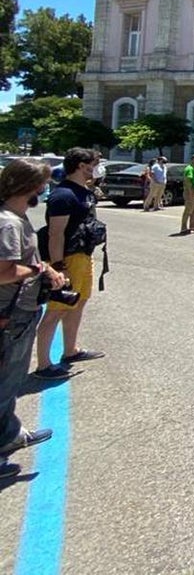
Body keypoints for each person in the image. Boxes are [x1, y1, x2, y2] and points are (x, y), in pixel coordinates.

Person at [0, 159, 66, 478]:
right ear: (29, 186)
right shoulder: (9, 223)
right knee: (5, 381)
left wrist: (46, 269)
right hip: (10, 314)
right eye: (42, 183)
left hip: (19, 311)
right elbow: (5, 272)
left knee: (9, 381)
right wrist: (38, 270)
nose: (45, 189)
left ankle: (10, 434)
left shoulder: (18, 217)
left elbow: (26, 260)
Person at [32, 148, 105, 380]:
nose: (97, 168)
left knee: (78, 302)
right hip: (68, 259)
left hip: (83, 257)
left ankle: (70, 350)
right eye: (94, 164)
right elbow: (56, 234)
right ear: (82, 166)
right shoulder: (63, 195)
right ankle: (44, 364)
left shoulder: (84, 191)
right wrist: (59, 266)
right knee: (57, 309)